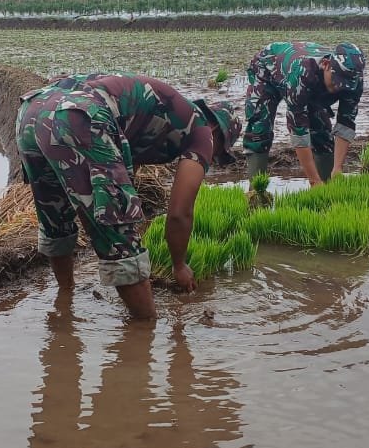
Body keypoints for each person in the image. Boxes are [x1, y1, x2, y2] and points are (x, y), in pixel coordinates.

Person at [16, 72, 242, 320]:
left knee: (55, 211)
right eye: (219, 151)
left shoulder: (171, 110)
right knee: (119, 238)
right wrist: (179, 266)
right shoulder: (202, 132)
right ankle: (144, 332)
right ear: (217, 132)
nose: (212, 157)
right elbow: (179, 213)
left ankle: (65, 299)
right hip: (81, 116)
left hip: (33, 109)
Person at [242, 41, 365, 186]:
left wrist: (337, 168)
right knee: (260, 127)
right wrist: (313, 180)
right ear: (326, 65)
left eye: (345, 85)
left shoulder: (354, 82)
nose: (339, 88)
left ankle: (327, 186)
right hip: (268, 69)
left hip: (311, 85)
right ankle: (256, 190)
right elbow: (299, 131)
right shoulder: (301, 74)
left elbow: (346, 124)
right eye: (337, 81)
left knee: (322, 134)